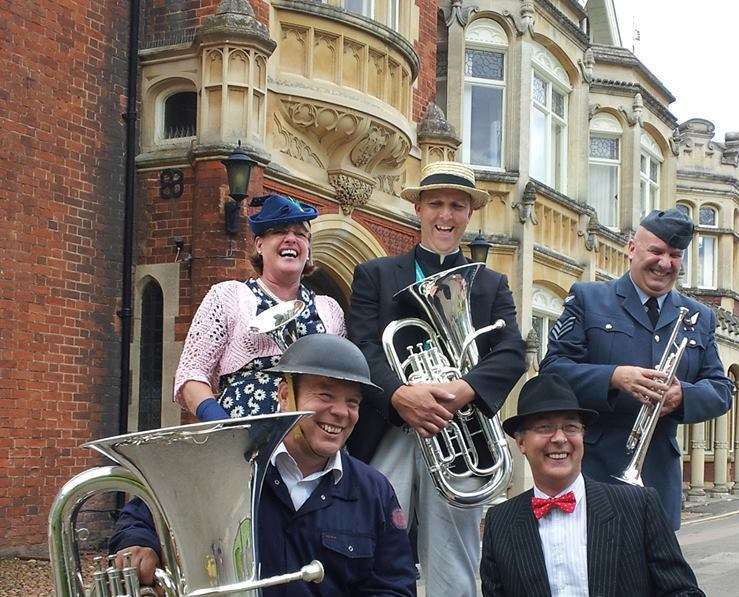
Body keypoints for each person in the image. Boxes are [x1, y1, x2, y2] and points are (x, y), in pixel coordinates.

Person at [110, 334, 418, 597]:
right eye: (325, 394)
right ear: (285, 396)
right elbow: (142, 514)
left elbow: (393, 586)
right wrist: (139, 544)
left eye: (353, 402)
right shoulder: (228, 465)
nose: (340, 412)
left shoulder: (374, 491)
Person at [347, 160, 527, 596]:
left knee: (455, 557)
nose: (445, 216)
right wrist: (400, 395)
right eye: (436, 204)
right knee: (373, 543)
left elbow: (512, 352)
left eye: (457, 206)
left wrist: (462, 390)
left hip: (457, 432)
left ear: (470, 214)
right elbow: (363, 348)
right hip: (391, 429)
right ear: (419, 209)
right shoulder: (375, 274)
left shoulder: (491, 284)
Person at [540, 207, 733, 529]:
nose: (665, 263)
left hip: (659, 476)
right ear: (632, 248)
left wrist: (682, 396)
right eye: (656, 251)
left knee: (656, 577)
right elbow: (552, 371)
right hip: (593, 468)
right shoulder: (589, 298)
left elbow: (721, 390)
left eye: (675, 255)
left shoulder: (699, 316)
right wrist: (614, 377)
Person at [480, 373, 704, 597]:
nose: (559, 438)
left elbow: (682, 592)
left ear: (582, 436)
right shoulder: (499, 522)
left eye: (570, 427)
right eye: (544, 428)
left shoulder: (639, 506)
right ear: (521, 443)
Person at [174, 193, 345, 422]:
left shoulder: (330, 309)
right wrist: (220, 423)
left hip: (312, 435)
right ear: (259, 244)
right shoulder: (227, 296)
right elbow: (191, 373)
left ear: (308, 248)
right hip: (243, 436)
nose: (291, 239)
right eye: (279, 231)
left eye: (300, 234)